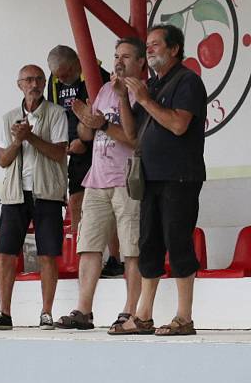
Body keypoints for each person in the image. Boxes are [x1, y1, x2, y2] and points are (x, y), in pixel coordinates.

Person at [110, 24, 207, 336]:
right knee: (148, 244)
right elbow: (132, 134)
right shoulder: (153, 86)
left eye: (154, 45)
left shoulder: (187, 80)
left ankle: (184, 317)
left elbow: (179, 125)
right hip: (151, 177)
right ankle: (143, 315)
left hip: (179, 176)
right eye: (147, 45)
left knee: (178, 241)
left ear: (174, 49)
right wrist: (124, 97)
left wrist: (145, 99)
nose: (148, 49)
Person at [54, 38, 146, 331]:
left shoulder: (141, 93)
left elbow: (133, 138)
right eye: (116, 55)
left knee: (131, 249)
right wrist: (84, 121)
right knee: (89, 246)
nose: (119, 61)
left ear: (140, 62)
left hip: (127, 178)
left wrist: (103, 122)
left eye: (126, 56)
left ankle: (130, 310)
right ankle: (84, 310)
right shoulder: (105, 89)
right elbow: (89, 133)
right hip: (96, 178)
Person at [0, 65, 68, 331]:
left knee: (47, 253)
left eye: (38, 79)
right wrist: (18, 141)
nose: (34, 84)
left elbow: (59, 153)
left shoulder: (56, 113)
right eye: (28, 80)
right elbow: (2, 160)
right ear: (19, 84)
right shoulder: (9, 118)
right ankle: (4, 312)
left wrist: (30, 135)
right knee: (6, 253)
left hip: (47, 192)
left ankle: (46, 312)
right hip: (14, 194)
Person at [46, 46, 122, 277]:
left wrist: (84, 141)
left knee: (108, 204)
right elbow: (56, 112)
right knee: (76, 201)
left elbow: (103, 115)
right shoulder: (55, 80)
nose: (62, 79)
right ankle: (81, 258)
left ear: (76, 64)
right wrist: (63, 141)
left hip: (99, 147)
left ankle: (116, 258)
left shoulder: (95, 74)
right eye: (58, 76)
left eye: (66, 74)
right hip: (74, 150)